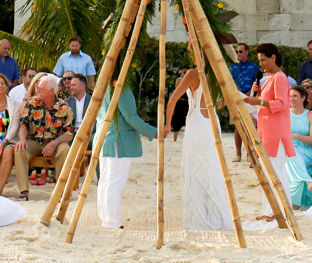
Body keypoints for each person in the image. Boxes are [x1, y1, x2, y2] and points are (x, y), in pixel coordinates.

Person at [166, 66, 235, 230]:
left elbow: (173, 99)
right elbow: (225, 98)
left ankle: (200, 213)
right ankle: (213, 213)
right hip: (211, 120)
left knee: (195, 165)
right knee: (211, 166)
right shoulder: (219, 71)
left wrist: (168, 124)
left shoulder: (192, 74)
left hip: (197, 120)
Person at [242, 42, 295, 208]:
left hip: (276, 131)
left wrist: (259, 100)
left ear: (273, 57)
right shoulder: (269, 78)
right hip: (266, 129)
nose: (261, 63)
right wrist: (256, 93)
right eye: (259, 61)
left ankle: (281, 208)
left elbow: (281, 103)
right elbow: (264, 103)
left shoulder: (279, 77)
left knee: (276, 170)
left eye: (263, 60)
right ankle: (271, 209)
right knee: (269, 170)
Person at [97, 84, 156, 229]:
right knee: (114, 182)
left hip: (104, 137)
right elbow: (130, 116)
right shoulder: (119, 87)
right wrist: (153, 132)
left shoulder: (104, 85)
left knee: (106, 181)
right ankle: (112, 222)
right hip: (118, 139)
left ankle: (107, 220)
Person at [13, 73, 75, 200]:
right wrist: (22, 139)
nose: (38, 91)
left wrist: (55, 143)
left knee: (65, 150)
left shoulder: (64, 108)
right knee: (19, 150)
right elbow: (23, 125)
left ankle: (60, 191)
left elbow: (69, 133)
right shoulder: (31, 103)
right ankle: (24, 192)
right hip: (34, 140)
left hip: (54, 142)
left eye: (41, 88)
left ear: (51, 91)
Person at [287, 85, 312, 207]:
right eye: (290, 96)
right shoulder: (285, 115)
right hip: (289, 152)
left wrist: (296, 135)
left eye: (295, 96)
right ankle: (306, 180)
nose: (292, 99)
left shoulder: (311, 116)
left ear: (303, 98)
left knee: (292, 158)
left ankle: (294, 203)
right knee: (290, 159)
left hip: (307, 152)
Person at [229, 43, 262, 162]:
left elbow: (257, 82)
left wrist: (248, 95)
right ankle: (238, 154)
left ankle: (250, 152)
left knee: (250, 125)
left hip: (249, 99)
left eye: (241, 51)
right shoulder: (233, 66)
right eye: (237, 52)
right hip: (236, 98)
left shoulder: (254, 67)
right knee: (238, 126)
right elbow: (230, 81)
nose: (239, 54)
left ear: (247, 52)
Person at [63, 72, 93, 148]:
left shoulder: (93, 102)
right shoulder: (66, 102)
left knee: (95, 140)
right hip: (72, 134)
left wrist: (85, 132)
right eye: (71, 85)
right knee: (65, 143)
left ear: (83, 87)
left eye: (73, 85)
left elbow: (96, 122)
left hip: (89, 134)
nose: (70, 87)